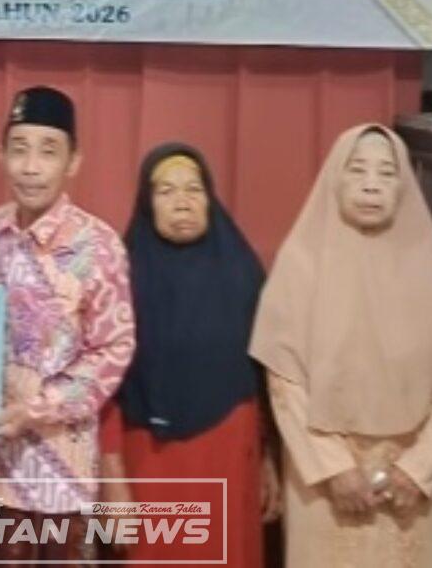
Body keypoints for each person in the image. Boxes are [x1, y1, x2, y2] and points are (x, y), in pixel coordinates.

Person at [250, 124, 432, 567]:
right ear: (335, 179)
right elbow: (285, 384)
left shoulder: (431, 272)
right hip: (327, 485)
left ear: (404, 185)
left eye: (387, 173)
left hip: (420, 488)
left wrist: (418, 469)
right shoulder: (300, 268)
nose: (372, 184)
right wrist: (334, 469)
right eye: (357, 170)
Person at [0, 86, 134, 564]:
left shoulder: (98, 246)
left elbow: (113, 348)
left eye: (48, 151)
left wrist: (40, 408)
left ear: (73, 162)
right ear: (0, 155)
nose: (31, 166)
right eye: (19, 149)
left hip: (64, 463)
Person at [100, 142, 279, 566]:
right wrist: (111, 477)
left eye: (194, 189)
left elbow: (260, 379)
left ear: (210, 198)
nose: (182, 202)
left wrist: (269, 460)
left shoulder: (242, 273)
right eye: (165, 191)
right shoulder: (120, 279)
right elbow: (103, 388)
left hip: (231, 458)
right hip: (149, 462)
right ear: (147, 204)